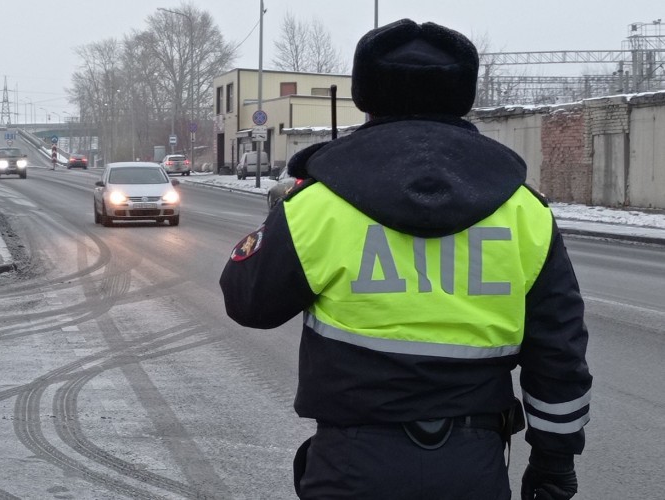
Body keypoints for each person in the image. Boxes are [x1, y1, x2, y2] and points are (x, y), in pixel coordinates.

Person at [219, 19, 592, 500]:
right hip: (473, 465)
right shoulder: (522, 209)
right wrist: (554, 461)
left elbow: (248, 302)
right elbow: (559, 351)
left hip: (351, 465)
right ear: (462, 94)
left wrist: (282, 213)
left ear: (366, 96)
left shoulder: (320, 203)